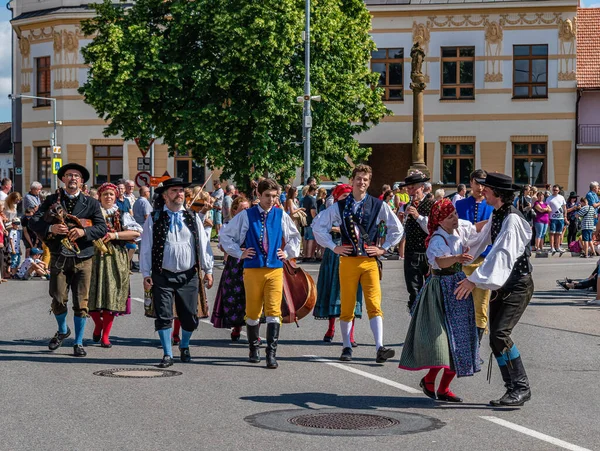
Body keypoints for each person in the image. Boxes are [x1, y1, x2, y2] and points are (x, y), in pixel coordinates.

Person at [455, 172, 534, 407]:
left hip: (518, 285)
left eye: (486, 189)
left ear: (497, 193)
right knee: (495, 339)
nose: (482, 191)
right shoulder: (498, 214)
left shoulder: (512, 219)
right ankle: (513, 389)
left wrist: (475, 280)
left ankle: (521, 387)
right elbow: (481, 240)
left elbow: (501, 255)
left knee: (500, 334)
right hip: (504, 286)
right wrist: (460, 258)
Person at [313, 164, 403, 363]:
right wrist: (333, 247)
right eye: (358, 178)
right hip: (348, 261)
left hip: (370, 261)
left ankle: (380, 347)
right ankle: (346, 347)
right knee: (347, 305)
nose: (361, 182)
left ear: (369, 183)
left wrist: (383, 248)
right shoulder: (340, 206)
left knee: (374, 304)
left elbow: (396, 228)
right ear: (352, 181)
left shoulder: (378, 205)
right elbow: (318, 225)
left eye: (365, 179)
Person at [399, 199, 480, 402]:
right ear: (440, 220)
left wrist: (497, 217)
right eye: (450, 216)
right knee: (442, 341)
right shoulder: (437, 239)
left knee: (460, 339)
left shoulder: (457, 230)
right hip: (440, 288)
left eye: (454, 214)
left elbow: (477, 227)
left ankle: (442, 387)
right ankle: (430, 380)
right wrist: (457, 258)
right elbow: (440, 262)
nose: (455, 218)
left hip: (457, 286)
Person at [220, 178, 301, 369]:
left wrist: (287, 252)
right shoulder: (247, 215)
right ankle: (253, 347)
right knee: (253, 311)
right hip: (253, 269)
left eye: (274, 196)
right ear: (258, 195)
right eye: (267, 196)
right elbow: (225, 235)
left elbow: (294, 236)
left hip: (274, 269)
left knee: (274, 311)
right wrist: (240, 252)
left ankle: (271, 353)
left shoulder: (280, 215)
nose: (271, 200)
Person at [29, 163, 108, 357]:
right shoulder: (51, 200)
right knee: (57, 298)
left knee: (81, 302)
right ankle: (63, 330)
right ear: (63, 179)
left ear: (81, 182)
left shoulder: (91, 203)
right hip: (59, 257)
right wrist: (50, 229)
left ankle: (79, 342)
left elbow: (102, 228)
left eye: (77, 176)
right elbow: (32, 221)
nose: (73, 178)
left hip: (83, 257)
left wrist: (84, 231)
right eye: (69, 175)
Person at [140, 178, 214, 368]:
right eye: (174, 191)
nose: (179, 194)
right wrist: (146, 273)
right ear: (165, 196)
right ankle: (167, 354)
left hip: (188, 274)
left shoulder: (192, 216)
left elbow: (203, 245)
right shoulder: (155, 218)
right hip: (162, 274)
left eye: (181, 190)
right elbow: (146, 247)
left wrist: (208, 269)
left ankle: (185, 344)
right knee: (164, 315)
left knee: (189, 317)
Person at [88, 183, 143, 348]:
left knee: (112, 295)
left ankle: (105, 335)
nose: (108, 197)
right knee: (89, 295)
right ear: (99, 196)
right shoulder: (91, 215)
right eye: (105, 194)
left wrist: (115, 235)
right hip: (94, 256)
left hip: (115, 257)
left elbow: (136, 232)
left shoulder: (121, 214)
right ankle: (98, 323)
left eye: (111, 194)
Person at [313, 184, 363, 345]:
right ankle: (331, 327)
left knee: (352, 293)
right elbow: (319, 227)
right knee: (333, 290)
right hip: (334, 254)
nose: (347, 199)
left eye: (349, 196)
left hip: (353, 253)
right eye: (343, 197)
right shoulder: (331, 211)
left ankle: (350, 334)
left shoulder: (358, 210)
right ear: (336, 198)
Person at [455, 169, 495, 345]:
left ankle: (474, 348)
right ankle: (460, 344)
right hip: (463, 260)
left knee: (481, 307)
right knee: (461, 306)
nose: (480, 187)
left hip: (484, 262)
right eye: (477, 183)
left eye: (484, 184)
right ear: (470, 182)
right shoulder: (460, 205)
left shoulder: (492, 206)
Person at [211, 196, 251, 341]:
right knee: (235, 297)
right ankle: (237, 327)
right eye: (243, 209)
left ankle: (255, 332)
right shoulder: (228, 225)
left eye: (248, 208)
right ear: (235, 210)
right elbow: (222, 245)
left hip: (251, 261)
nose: (246, 211)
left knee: (253, 296)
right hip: (235, 264)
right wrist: (235, 249)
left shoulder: (253, 222)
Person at [398, 171, 435, 311]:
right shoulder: (406, 205)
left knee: (431, 290)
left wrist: (418, 216)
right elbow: (401, 231)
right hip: (411, 252)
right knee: (413, 291)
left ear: (421, 187)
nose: (410, 191)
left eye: (413, 188)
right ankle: (416, 319)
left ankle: (430, 319)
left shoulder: (432, 204)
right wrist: (401, 220)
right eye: (408, 188)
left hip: (428, 253)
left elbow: (432, 229)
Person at [546, 185, 568, 255]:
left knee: (559, 233)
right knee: (552, 233)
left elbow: (564, 207)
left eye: (556, 190)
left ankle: (558, 247)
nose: (555, 191)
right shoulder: (549, 198)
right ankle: (552, 247)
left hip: (560, 218)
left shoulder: (561, 197)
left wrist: (565, 216)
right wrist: (548, 218)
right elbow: (547, 208)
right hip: (552, 218)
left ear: (559, 191)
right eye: (554, 190)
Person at [302, 185, 318, 262]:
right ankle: (309, 256)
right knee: (311, 239)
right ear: (313, 190)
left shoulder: (305, 198)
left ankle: (306, 255)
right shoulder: (312, 199)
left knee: (306, 238)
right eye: (316, 190)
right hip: (311, 221)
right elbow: (313, 211)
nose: (316, 192)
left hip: (305, 221)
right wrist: (316, 220)